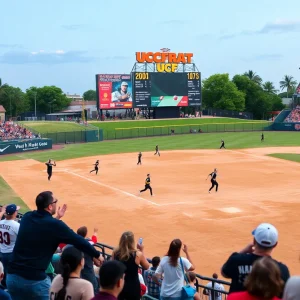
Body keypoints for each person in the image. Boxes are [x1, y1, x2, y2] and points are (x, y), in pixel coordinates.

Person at [7, 191, 103, 300]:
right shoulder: (56, 226)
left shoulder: (27, 217)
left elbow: (43, 226)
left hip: (12, 278)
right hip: (35, 281)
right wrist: (97, 254)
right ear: (49, 206)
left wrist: (57, 217)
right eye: (55, 201)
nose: (56, 203)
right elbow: (78, 240)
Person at [221, 223, 290, 295]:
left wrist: (243, 252)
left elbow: (224, 273)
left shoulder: (237, 260)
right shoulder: (282, 270)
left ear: (254, 241)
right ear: (275, 244)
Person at [112, 231, 149, 300]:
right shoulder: (138, 254)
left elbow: (112, 266)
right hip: (133, 286)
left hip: (119, 285)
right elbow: (146, 266)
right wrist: (141, 250)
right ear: (132, 242)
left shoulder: (115, 252)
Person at [0, 204, 20, 287]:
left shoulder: (0, 223)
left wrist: (2, 212)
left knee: (3, 272)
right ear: (14, 213)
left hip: (1, 252)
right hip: (11, 254)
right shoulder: (16, 225)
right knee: (11, 274)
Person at [77, 226, 101, 295]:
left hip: (79, 270)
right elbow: (94, 240)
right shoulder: (87, 243)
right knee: (94, 287)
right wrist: (95, 232)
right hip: (88, 270)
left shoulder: (75, 242)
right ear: (85, 234)